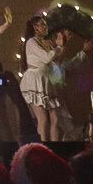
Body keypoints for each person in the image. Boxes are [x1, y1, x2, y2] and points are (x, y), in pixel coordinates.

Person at [19, 15, 64, 143]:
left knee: (55, 118)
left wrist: (60, 47)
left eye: (45, 24)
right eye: (42, 24)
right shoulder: (31, 42)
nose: (46, 26)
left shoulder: (46, 43)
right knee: (43, 118)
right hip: (34, 82)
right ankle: (42, 148)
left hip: (45, 82)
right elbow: (46, 58)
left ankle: (55, 147)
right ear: (35, 28)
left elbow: (53, 63)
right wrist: (58, 47)